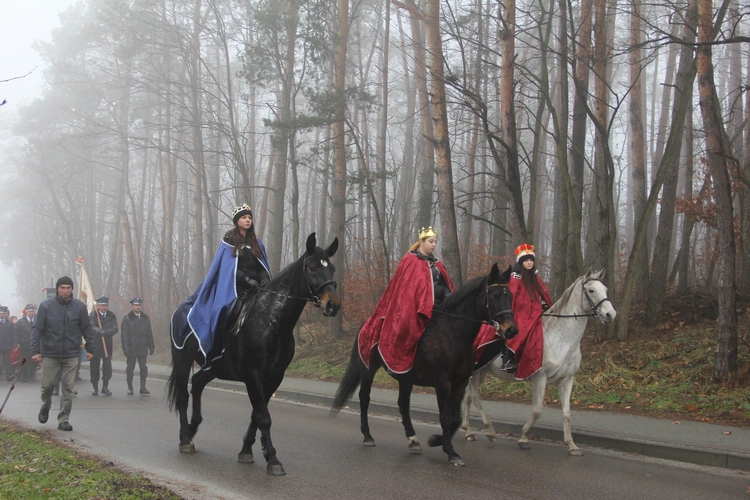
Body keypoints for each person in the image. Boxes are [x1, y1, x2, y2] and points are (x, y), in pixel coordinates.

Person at [170, 203, 271, 370]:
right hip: (232, 287)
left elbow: (261, 266)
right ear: (237, 220)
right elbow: (227, 269)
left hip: (256, 288)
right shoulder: (229, 241)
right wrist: (247, 279)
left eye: (250, 218)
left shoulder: (256, 243)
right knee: (222, 310)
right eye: (244, 217)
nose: (248, 220)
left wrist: (264, 278)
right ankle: (217, 351)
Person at [358, 226, 455, 374]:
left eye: (435, 241)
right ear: (421, 242)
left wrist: (450, 303)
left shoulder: (438, 265)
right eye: (431, 241)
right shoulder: (410, 261)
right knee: (405, 328)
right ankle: (396, 363)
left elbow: (445, 287)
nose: (434, 244)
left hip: (437, 310)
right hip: (413, 309)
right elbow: (404, 290)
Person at [31, 276, 94, 431]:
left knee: (68, 387)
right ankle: (45, 406)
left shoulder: (79, 306)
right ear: (57, 289)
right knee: (48, 386)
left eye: (68, 288)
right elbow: (37, 329)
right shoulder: (46, 306)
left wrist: (91, 348)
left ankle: (63, 419)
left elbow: (86, 328)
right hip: (51, 353)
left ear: (72, 289)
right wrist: (35, 351)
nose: (65, 291)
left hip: (72, 354)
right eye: (62, 288)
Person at [497, 243, 553, 378]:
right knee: (522, 327)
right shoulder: (516, 277)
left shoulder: (535, 277)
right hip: (520, 312)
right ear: (521, 262)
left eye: (531, 260)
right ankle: (507, 357)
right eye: (526, 260)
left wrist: (545, 305)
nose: (529, 263)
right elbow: (513, 294)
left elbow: (542, 294)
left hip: (535, 311)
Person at [121, 298, 154, 395]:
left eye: (139, 305)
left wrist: (151, 346)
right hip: (131, 348)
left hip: (142, 347)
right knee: (130, 368)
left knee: (143, 367)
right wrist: (126, 349)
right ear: (132, 306)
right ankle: (130, 387)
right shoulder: (127, 318)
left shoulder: (145, 318)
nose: (137, 307)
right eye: (135, 305)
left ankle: (143, 387)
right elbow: (124, 335)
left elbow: (149, 333)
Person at [89, 296, 118, 396]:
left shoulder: (111, 315)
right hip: (96, 344)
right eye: (102, 305)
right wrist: (99, 331)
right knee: (94, 367)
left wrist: (105, 332)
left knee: (107, 367)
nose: (104, 307)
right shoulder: (93, 315)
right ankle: (95, 386)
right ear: (98, 306)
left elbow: (115, 328)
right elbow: (91, 326)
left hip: (107, 344)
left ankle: (105, 386)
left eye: (105, 305)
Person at [15, 304, 38, 382]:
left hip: (36, 343)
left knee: (35, 359)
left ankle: (32, 374)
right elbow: (16, 333)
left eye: (33, 311)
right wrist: (17, 342)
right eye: (30, 311)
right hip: (24, 343)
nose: (31, 313)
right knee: (24, 360)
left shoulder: (38, 320)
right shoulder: (20, 321)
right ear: (26, 312)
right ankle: (24, 375)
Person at [0, 306, 18, 382]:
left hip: (6, 345)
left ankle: (9, 375)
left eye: (4, 313)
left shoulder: (9, 323)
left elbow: (14, 334)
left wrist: (15, 344)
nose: (3, 315)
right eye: (1, 313)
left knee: (7, 360)